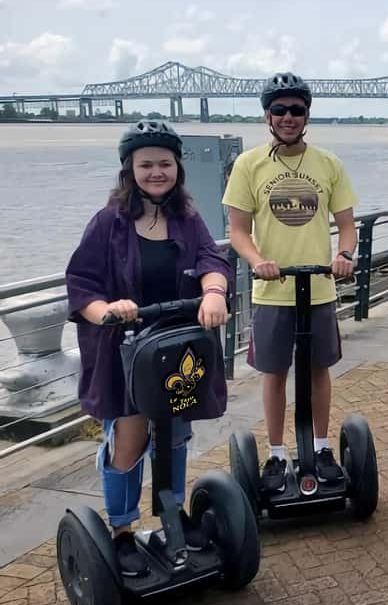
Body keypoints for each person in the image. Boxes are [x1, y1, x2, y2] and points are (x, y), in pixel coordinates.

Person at [65, 121, 233, 577]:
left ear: (177, 166)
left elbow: (210, 258)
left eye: (164, 163)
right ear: (129, 170)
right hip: (125, 354)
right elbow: (81, 284)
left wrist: (214, 291)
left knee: (175, 434)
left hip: (175, 348)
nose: (156, 172)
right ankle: (121, 532)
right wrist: (108, 311)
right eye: (146, 165)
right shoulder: (108, 222)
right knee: (130, 438)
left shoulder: (186, 217)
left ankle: (172, 512)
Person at [222, 72, 357, 492]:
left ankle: (319, 446)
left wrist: (344, 255)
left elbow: (347, 225)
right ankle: (278, 454)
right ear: (267, 115)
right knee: (275, 372)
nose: (288, 117)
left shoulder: (328, 164)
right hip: (272, 291)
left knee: (318, 370)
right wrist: (258, 261)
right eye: (279, 110)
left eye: (296, 110)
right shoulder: (249, 165)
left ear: (306, 115)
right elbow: (238, 231)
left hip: (318, 288)